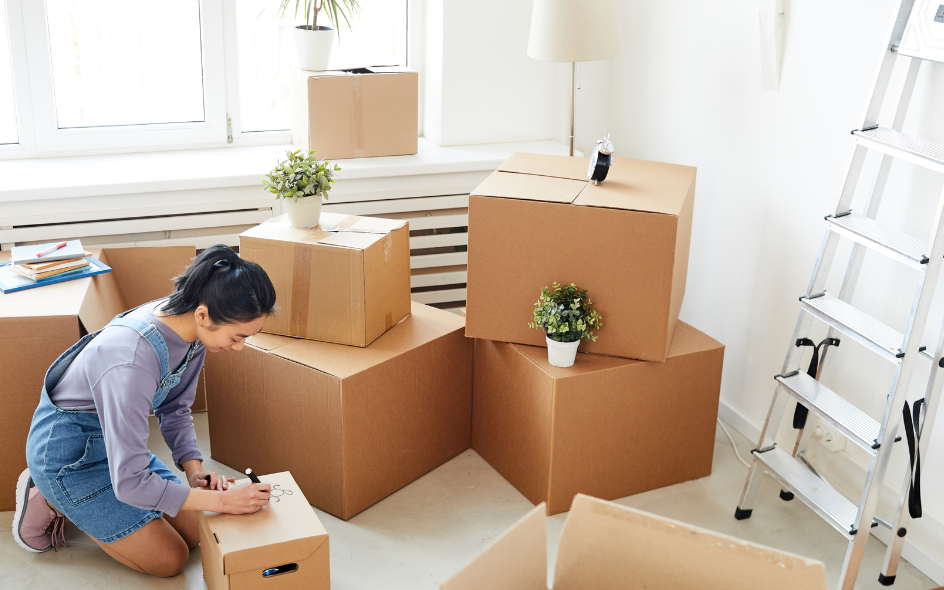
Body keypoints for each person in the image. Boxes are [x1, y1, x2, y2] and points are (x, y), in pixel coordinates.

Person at [13, 244, 277, 577]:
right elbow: (131, 484)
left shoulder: (191, 330)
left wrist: (194, 473)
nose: (238, 348)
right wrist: (223, 501)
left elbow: (176, 406)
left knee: (197, 534)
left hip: (118, 448)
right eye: (238, 337)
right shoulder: (131, 358)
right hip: (70, 462)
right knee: (170, 560)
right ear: (203, 315)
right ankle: (49, 495)